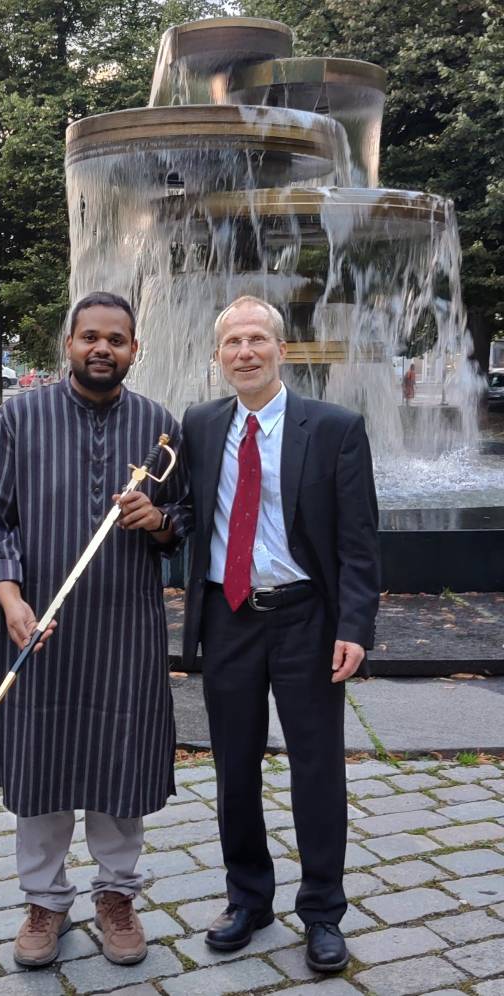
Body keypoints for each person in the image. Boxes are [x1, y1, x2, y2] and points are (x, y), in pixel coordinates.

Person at [0, 291, 189, 969]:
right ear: (69, 344)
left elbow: (185, 517)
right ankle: (44, 901)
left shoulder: (159, 426)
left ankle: (116, 896)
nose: (102, 349)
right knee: (42, 762)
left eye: (116, 339)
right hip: (37, 627)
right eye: (90, 336)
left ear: (134, 349)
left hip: (125, 629)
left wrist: (159, 521)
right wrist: (9, 600)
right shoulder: (19, 417)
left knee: (120, 759)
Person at [181, 295, 379, 973]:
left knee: (316, 768)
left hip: (306, 619)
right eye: (232, 342)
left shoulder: (335, 428)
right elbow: (188, 514)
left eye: (257, 339)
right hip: (228, 616)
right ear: (218, 356)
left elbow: (358, 540)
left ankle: (322, 911)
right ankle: (248, 900)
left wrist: (354, 625)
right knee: (234, 767)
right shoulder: (201, 425)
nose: (245, 352)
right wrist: (155, 518)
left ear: (281, 350)